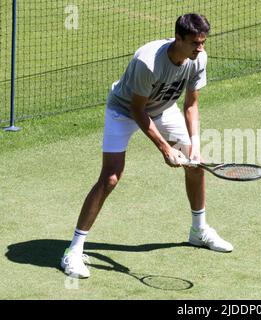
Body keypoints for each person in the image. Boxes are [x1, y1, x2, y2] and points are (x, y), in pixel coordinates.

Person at [61, 13, 233, 279]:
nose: (200, 48)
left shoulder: (199, 58)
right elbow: (138, 110)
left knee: (195, 165)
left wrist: (194, 145)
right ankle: (73, 250)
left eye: (203, 42)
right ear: (178, 38)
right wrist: (166, 149)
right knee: (110, 178)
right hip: (124, 111)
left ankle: (198, 231)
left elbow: (191, 105)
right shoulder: (148, 62)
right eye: (195, 43)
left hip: (164, 109)